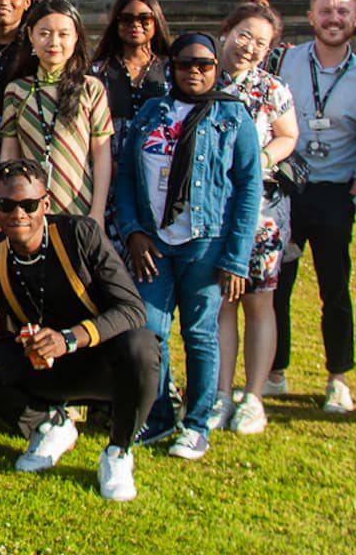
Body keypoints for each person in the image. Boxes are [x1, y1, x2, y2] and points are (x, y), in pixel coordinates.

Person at [0, 161, 157, 501]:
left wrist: (68, 338)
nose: (19, 213)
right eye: (7, 205)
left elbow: (133, 310)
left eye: (29, 205)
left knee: (142, 347)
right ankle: (50, 425)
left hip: (99, 360)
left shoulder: (81, 234)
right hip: (42, 367)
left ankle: (119, 452)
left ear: (45, 205)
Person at [111, 32, 260, 461]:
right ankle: (159, 415)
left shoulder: (232, 116)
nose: (195, 72)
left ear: (217, 69)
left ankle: (196, 425)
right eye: (185, 64)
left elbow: (249, 188)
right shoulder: (152, 112)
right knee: (150, 331)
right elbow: (126, 176)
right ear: (171, 67)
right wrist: (133, 230)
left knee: (200, 334)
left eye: (205, 65)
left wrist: (235, 258)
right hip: (155, 242)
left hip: (206, 243)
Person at [272, 0, 356, 412]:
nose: (334, 19)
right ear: (311, 16)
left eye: (343, 12)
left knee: (335, 290)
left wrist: (355, 196)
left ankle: (338, 377)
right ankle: (275, 372)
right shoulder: (285, 63)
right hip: (287, 191)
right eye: (326, 11)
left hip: (336, 195)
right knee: (276, 286)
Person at [209, 0, 300, 436]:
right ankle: (221, 393)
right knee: (222, 302)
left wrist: (261, 158)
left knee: (259, 302)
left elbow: (289, 136)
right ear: (226, 32)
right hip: (212, 212)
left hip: (260, 210)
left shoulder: (272, 89)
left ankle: (255, 396)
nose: (249, 47)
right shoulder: (203, 78)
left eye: (260, 42)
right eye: (244, 35)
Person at [0, 0, 113, 220]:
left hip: (81, 207)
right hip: (29, 211)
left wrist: (97, 211)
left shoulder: (91, 89)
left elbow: (101, 156)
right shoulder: (17, 90)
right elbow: (9, 153)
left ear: (76, 37)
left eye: (63, 34)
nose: (54, 42)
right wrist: (7, 206)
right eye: (45, 34)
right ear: (31, 35)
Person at [90, 0, 173, 212]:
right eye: (126, 19)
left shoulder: (170, 70)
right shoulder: (98, 70)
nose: (135, 25)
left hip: (159, 173)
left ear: (156, 21)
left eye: (144, 19)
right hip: (109, 171)